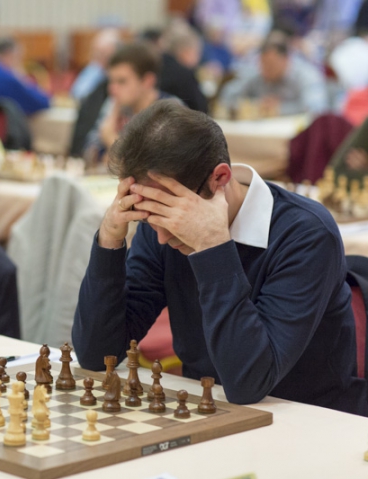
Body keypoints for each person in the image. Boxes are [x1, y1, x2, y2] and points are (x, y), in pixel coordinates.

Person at [72, 100, 367, 416]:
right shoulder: (160, 226)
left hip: (312, 420)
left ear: (221, 178)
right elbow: (97, 355)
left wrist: (212, 247)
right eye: (148, 216)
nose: (160, 237)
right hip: (208, 412)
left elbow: (247, 382)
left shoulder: (307, 234)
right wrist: (110, 239)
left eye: (171, 213)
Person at [83, 42, 177, 161]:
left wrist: (111, 139)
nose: (112, 89)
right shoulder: (115, 104)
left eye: (122, 81)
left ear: (147, 81)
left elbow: (156, 164)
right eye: (111, 81)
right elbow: (90, 153)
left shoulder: (171, 110)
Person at [220, 35, 328, 116]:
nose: (266, 70)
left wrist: (279, 109)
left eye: (271, 65)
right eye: (263, 64)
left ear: (286, 60)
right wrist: (256, 105)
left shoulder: (307, 75)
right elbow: (227, 97)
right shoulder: (257, 73)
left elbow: (314, 108)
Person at [158, 22, 208, 113]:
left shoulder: (158, 64)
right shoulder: (184, 75)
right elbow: (200, 109)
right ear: (186, 52)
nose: (198, 58)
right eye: (197, 53)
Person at [70, 28, 122, 102]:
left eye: (103, 53)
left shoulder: (117, 76)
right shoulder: (92, 69)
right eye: (96, 52)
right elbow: (77, 93)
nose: (98, 57)